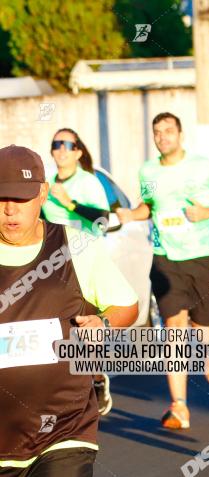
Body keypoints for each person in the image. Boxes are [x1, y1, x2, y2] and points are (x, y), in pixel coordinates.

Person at [0, 145, 138, 477]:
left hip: (64, 425)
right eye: (1, 197)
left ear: (42, 194)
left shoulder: (74, 246)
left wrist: (102, 321)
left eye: (20, 198)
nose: (9, 209)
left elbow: (127, 306)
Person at [116, 112, 209, 429]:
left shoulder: (202, 165)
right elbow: (148, 207)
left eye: (169, 130)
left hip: (202, 255)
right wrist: (129, 215)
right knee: (173, 326)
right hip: (165, 256)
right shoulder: (148, 170)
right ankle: (179, 406)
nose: (163, 136)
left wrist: (208, 210)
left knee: (202, 325)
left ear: (180, 134)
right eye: (157, 132)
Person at [43, 128, 116, 415]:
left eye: (67, 144)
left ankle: (97, 379)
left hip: (86, 262)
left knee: (86, 328)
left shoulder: (88, 182)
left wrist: (69, 203)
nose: (61, 149)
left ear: (78, 151)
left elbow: (103, 220)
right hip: (53, 267)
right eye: (56, 144)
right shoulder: (46, 184)